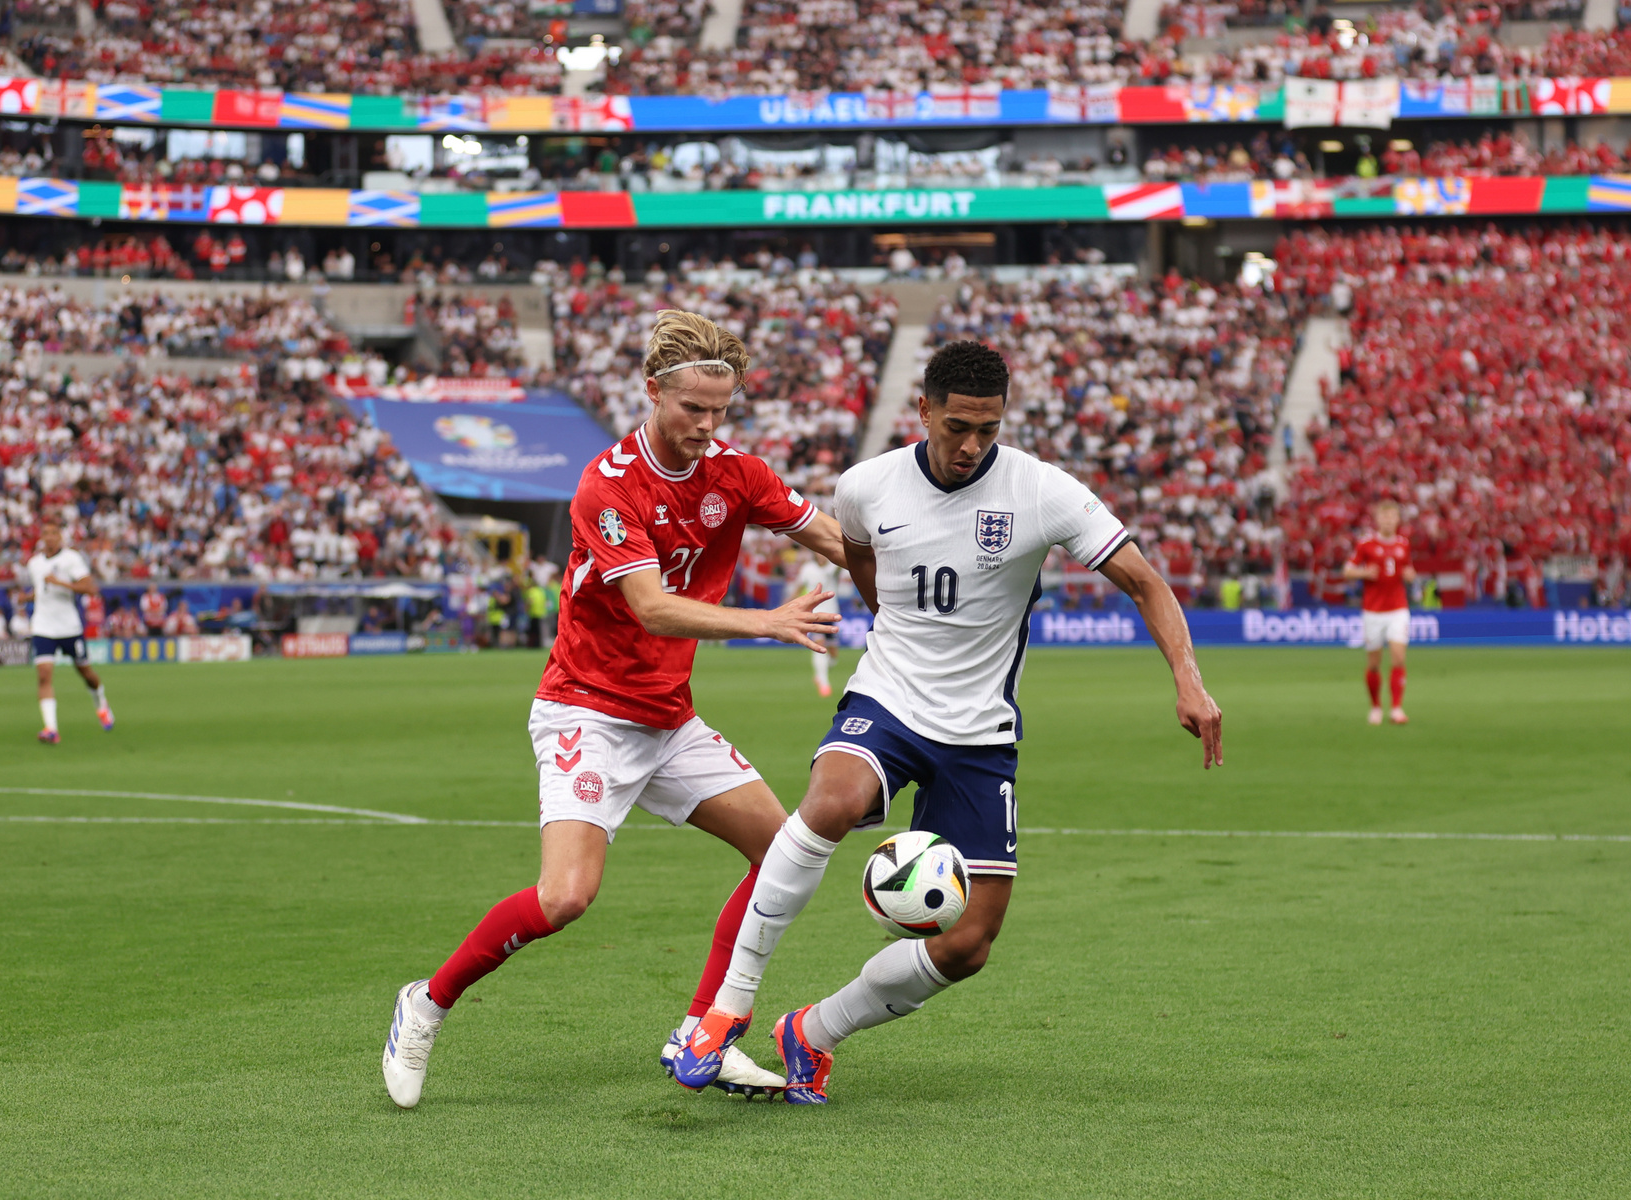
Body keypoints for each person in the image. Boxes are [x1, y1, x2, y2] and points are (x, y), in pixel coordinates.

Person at [673, 341, 1224, 1103]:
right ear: (923, 409)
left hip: (980, 731)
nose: (971, 445)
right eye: (957, 426)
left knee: (968, 944)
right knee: (831, 803)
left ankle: (813, 1032)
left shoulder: (1043, 491)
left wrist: (1190, 685)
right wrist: (905, 641)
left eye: (988, 430)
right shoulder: (866, 485)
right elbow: (869, 572)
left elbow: (1145, 581)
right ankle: (725, 1009)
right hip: (890, 701)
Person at [381, 310, 851, 1109]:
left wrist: (934, 578)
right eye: (692, 409)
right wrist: (768, 622)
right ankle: (426, 1002)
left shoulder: (738, 471)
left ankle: (707, 1029)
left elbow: (837, 541)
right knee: (565, 897)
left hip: (667, 717)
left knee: (783, 851)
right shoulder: (608, 484)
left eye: (721, 410)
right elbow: (652, 607)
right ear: (652, 391)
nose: (707, 426)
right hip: (585, 712)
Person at [26, 517, 114, 743]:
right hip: (43, 625)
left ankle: (101, 704)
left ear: (60, 536)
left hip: (68, 627)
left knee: (86, 673)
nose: (50, 537)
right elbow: (42, 590)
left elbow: (89, 587)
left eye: (54, 532)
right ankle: (51, 729)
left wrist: (61, 583)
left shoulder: (71, 559)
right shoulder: (34, 563)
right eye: (45, 533)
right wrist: (27, 596)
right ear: (41, 537)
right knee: (44, 675)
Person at [1344, 499, 1414, 725]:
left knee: (1398, 657)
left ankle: (1396, 708)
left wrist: (1410, 575)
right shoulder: (1366, 544)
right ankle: (1375, 707)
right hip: (1373, 610)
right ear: (1377, 520)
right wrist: (1364, 573)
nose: (1388, 520)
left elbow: (1408, 569)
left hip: (1398, 608)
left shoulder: (1404, 544)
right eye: (1384, 516)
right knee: (1374, 663)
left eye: (1392, 516)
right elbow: (1347, 570)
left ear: (1397, 520)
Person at [795, 551, 843, 698]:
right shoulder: (807, 568)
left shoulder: (832, 567)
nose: (820, 556)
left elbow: (841, 565)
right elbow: (798, 587)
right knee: (820, 646)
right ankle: (823, 682)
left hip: (831, 614)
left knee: (833, 654)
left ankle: (821, 673)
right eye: (818, 553)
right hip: (814, 614)